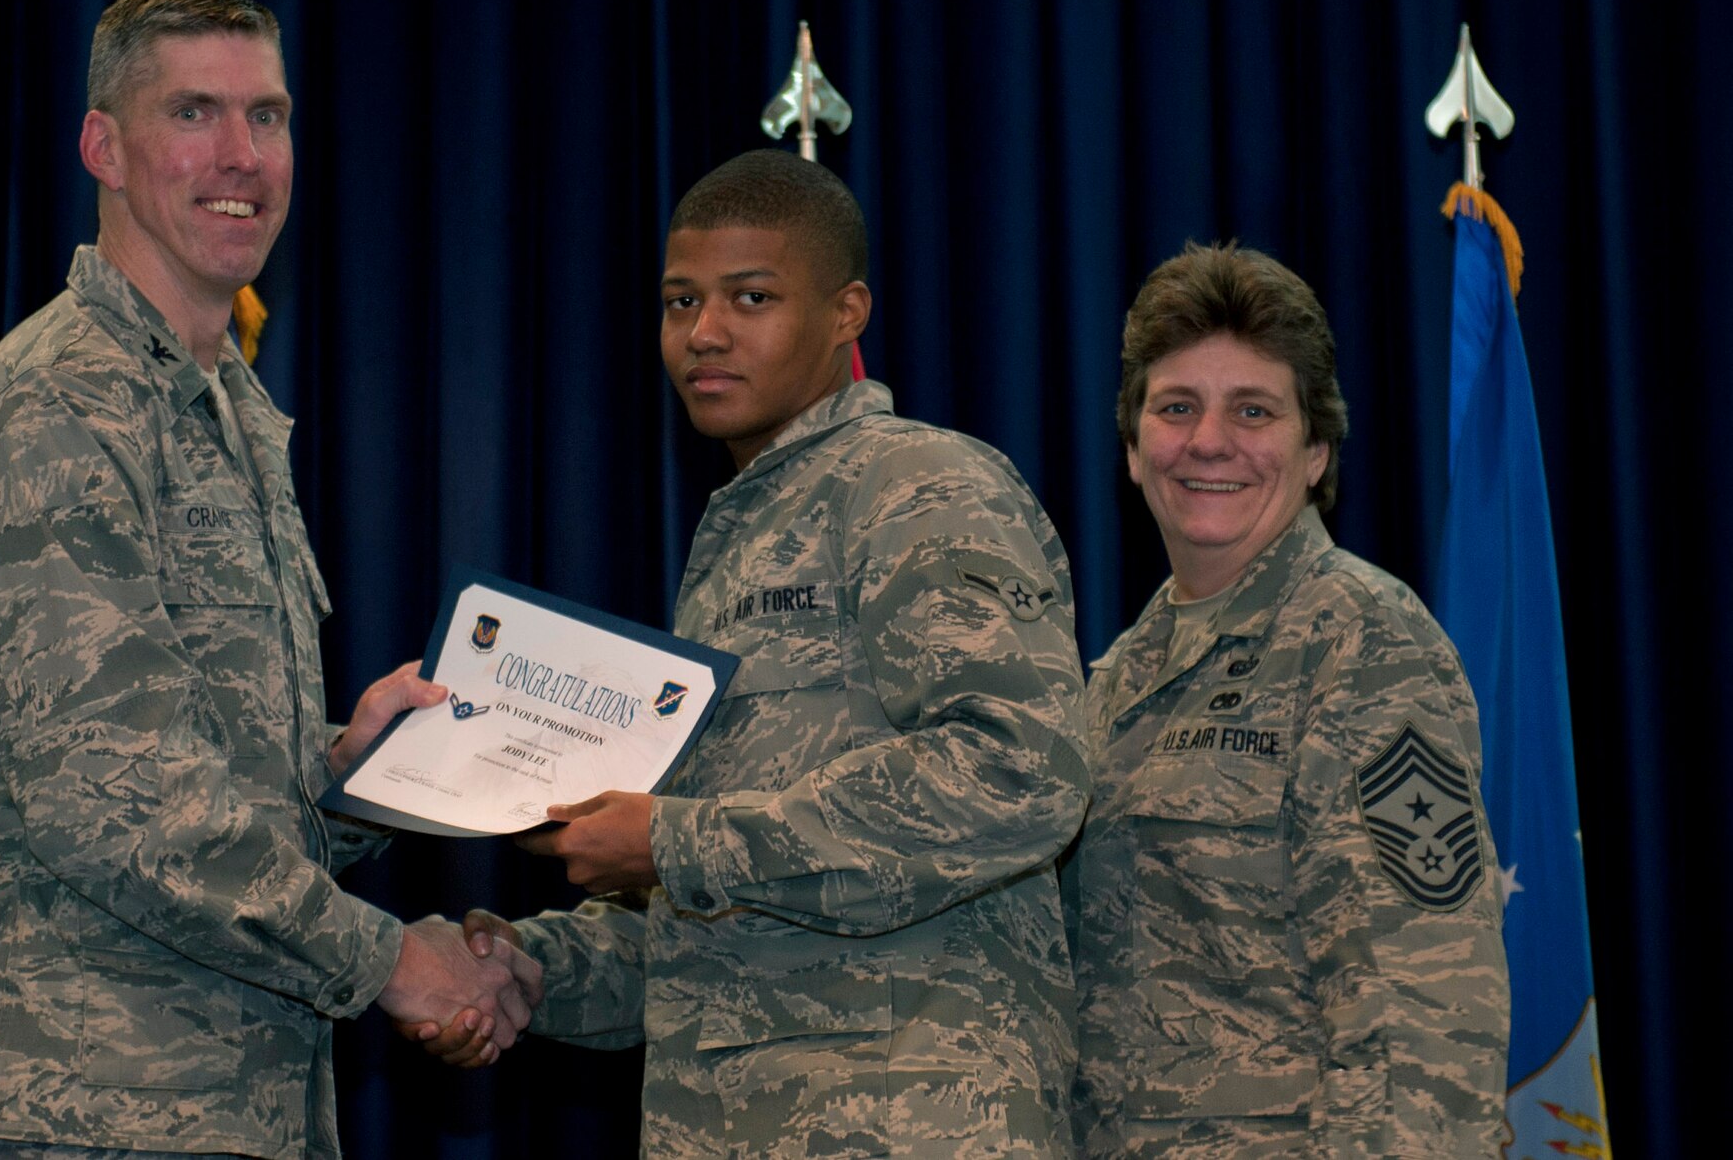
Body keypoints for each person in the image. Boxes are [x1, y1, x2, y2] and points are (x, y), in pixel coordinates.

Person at [0, 0, 538, 1160]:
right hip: (68, 1104)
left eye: (269, 116)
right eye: (193, 113)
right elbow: (114, 799)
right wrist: (390, 957)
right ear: (106, 148)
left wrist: (343, 775)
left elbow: (197, 767)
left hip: (228, 1103)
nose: (242, 156)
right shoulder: (55, 410)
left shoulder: (224, 407)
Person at [413, 149, 1092, 1156]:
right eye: (679, 300)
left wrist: (674, 839)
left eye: (752, 296)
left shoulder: (917, 483)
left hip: (918, 1124)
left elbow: (1016, 769)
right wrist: (528, 971)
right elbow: (721, 928)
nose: (704, 333)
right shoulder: (738, 535)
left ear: (845, 311)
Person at [1065, 242, 1509, 1157]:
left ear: (1315, 451)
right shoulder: (1110, 683)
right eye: (1176, 407)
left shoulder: (1365, 641)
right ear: (1133, 448)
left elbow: (1423, 1016)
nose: (1209, 440)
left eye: (1254, 410)